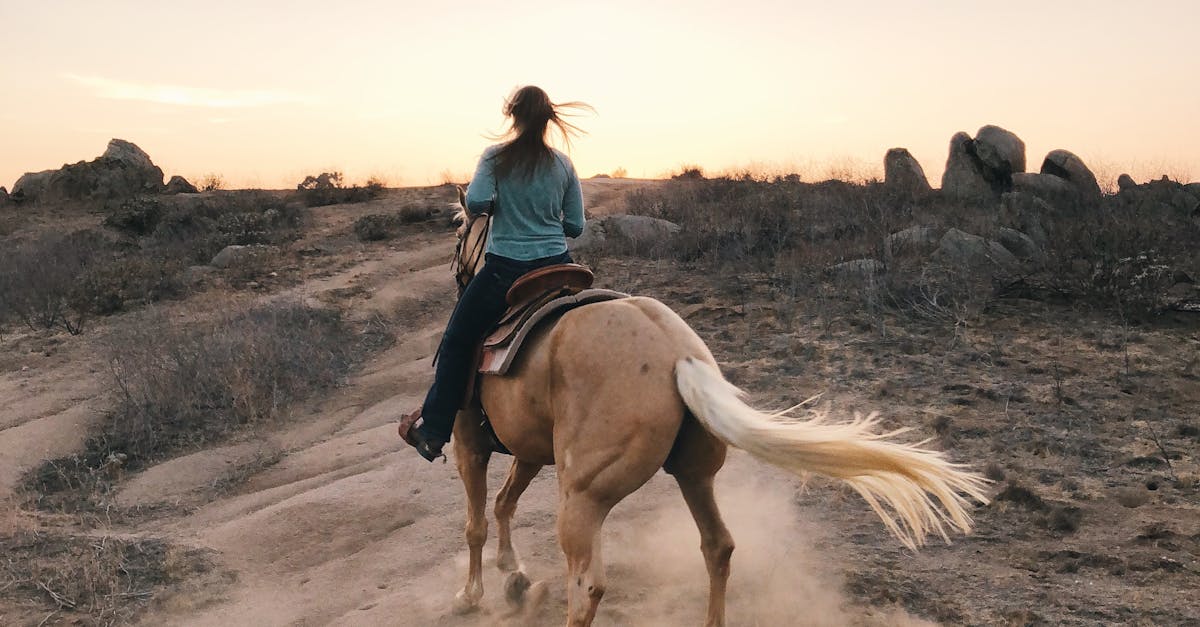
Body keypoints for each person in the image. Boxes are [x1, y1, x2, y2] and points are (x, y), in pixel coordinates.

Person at [400, 86, 589, 462]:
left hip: (508, 270)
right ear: (548, 119)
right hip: (561, 268)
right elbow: (577, 226)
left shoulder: (494, 157)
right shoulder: (564, 164)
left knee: (456, 339)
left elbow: (476, 203)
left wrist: (506, 204)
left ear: (513, 116)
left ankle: (434, 431)